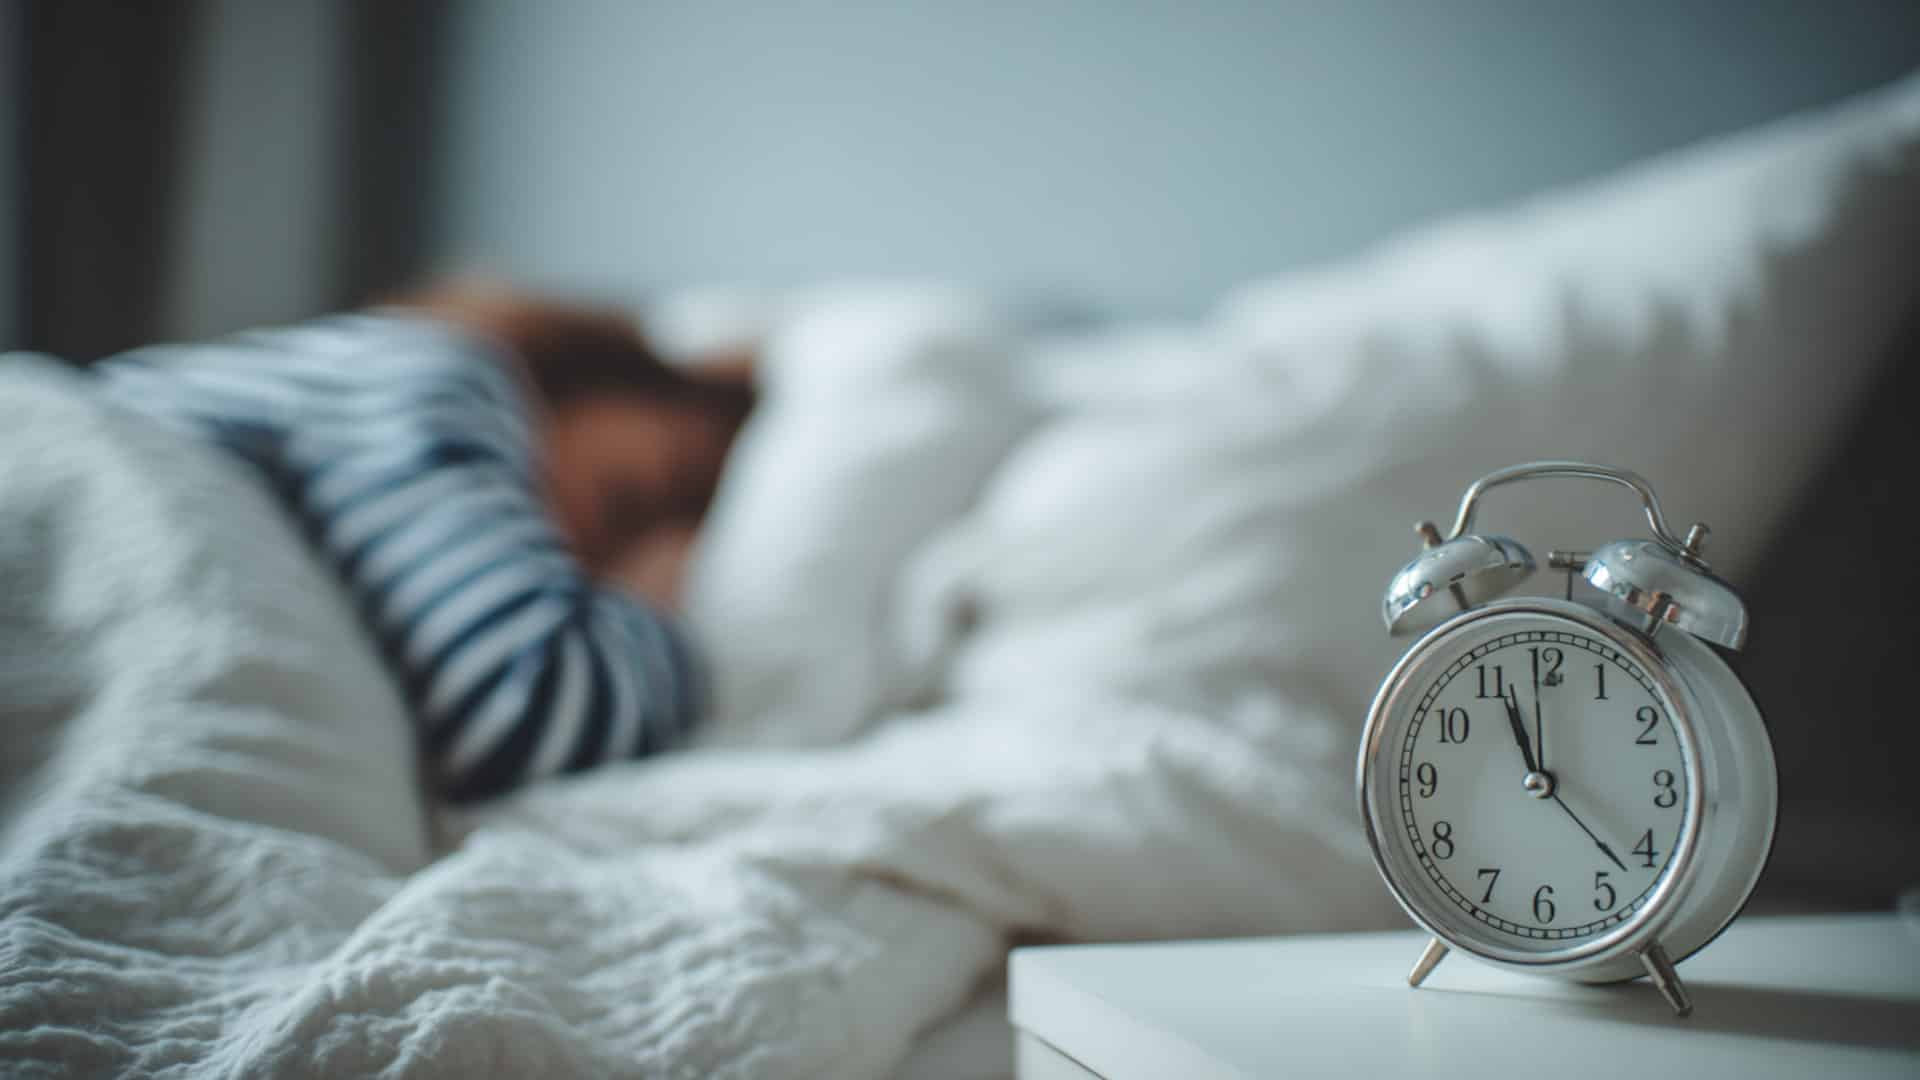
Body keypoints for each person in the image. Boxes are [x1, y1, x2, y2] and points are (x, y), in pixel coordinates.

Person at [92, 282, 754, 802]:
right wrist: (650, 605)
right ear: (605, 378)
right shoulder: (435, 366)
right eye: (632, 498)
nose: (585, 551)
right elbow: (520, 714)